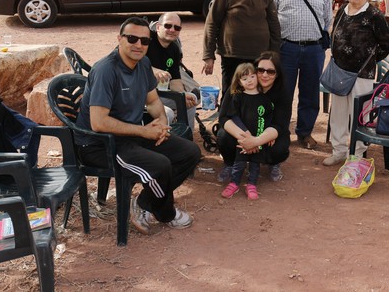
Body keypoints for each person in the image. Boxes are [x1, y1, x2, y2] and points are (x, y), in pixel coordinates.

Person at [74, 17, 201, 235]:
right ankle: (166, 213)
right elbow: (98, 122)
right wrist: (144, 131)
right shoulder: (106, 70)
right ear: (119, 39)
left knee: (190, 152)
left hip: (129, 135)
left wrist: (161, 123)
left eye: (144, 41)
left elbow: (152, 102)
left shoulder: (143, 64)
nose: (139, 45)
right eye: (132, 38)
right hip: (100, 144)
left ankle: (144, 203)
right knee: (161, 166)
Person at [323, 0, 389, 166]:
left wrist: (369, 60)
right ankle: (339, 151)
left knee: (359, 114)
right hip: (339, 70)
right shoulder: (342, 10)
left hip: (362, 74)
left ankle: (357, 154)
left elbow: (386, 43)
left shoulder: (374, 15)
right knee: (338, 113)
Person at [271, 0, 332, 149]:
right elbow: (271, 19)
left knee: (310, 93)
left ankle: (304, 133)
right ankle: (280, 133)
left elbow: (327, 19)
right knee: (283, 93)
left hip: (314, 50)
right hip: (286, 49)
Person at [203, 0, 281, 99]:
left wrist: (274, 54)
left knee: (257, 93)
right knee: (231, 94)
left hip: (260, 56)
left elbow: (274, 26)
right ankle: (227, 122)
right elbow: (212, 23)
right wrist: (208, 55)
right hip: (232, 55)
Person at [216, 51, 291, 182]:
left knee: (280, 146)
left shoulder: (281, 92)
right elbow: (224, 117)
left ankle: (272, 163)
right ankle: (230, 163)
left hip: (265, 132)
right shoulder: (237, 88)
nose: (265, 75)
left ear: (277, 74)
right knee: (223, 136)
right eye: (261, 70)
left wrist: (256, 141)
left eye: (271, 71)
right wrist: (245, 139)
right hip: (242, 132)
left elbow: (280, 124)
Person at [220, 63, 274, 200]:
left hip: (259, 137)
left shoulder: (265, 99)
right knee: (239, 162)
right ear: (239, 82)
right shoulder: (238, 97)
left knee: (255, 163)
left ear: (257, 76)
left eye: (252, 76)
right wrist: (245, 134)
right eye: (244, 79)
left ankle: (251, 185)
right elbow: (234, 116)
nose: (249, 80)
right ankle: (234, 183)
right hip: (243, 138)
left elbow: (269, 118)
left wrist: (266, 136)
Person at [146, 13, 197, 128]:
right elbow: (133, 62)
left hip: (159, 93)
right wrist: (154, 70)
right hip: (139, 95)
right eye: (168, 26)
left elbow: (176, 81)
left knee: (189, 100)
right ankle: (165, 143)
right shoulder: (146, 40)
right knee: (167, 112)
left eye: (177, 27)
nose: (172, 30)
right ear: (158, 27)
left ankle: (186, 137)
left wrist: (182, 96)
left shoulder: (174, 48)